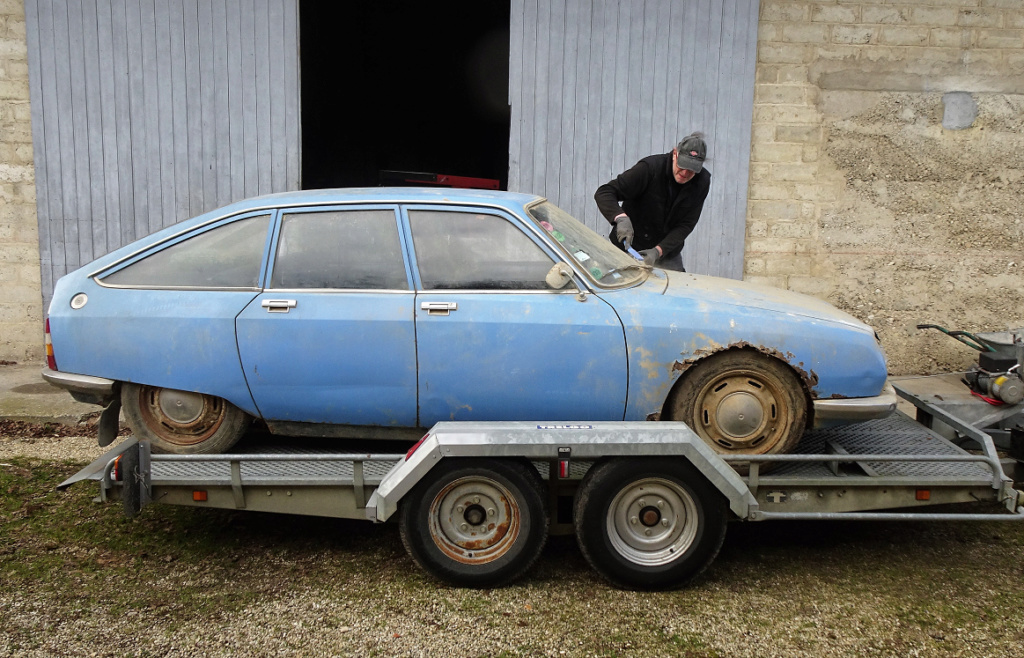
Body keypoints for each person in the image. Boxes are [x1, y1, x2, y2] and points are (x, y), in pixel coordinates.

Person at [594, 132, 711, 271]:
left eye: (692, 170)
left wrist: (658, 251)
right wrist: (620, 218)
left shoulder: (702, 181)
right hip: (627, 247)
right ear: (675, 154)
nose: (685, 173)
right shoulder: (649, 168)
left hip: (666, 254)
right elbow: (604, 192)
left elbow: (686, 225)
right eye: (683, 166)